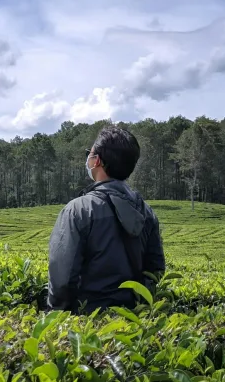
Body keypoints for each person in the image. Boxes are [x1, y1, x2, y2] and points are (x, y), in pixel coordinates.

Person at [47, 125, 166, 313]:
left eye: (90, 153)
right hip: (133, 321)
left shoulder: (78, 210)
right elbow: (155, 270)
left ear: (97, 161)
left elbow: (62, 280)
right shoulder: (147, 212)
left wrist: (58, 319)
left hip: (87, 324)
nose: (88, 157)